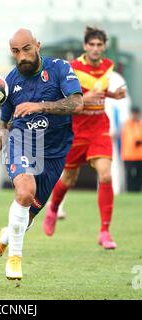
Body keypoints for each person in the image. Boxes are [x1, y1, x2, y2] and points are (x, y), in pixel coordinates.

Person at [0, 28, 83, 280]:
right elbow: (4, 123)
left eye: (26, 49)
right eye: (16, 51)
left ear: (37, 45)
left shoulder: (59, 68)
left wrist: (40, 106)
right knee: (24, 192)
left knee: (27, 215)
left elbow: (77, 103)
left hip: (55, 152)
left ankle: (6, 236)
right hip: (23, 142)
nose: (22, 56)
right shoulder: (10, 81)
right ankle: (15, 258)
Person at [43, 27, 126, 249]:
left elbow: (100, 90)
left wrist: (112, 95)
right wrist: (84, 97)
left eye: (99, 45)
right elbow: (63, 98)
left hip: (99, 128)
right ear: (85, 46)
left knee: (106, 175)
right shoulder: (73, 68)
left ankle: (105, 232)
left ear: (104, 47)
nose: (96, 49)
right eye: (92, 44)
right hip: (76, 130)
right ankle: (53, 208)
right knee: (69, 178)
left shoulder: (109, 66)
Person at [121, 106, 142, 191]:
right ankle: (130, 190)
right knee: (129, 175)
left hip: (140, 155)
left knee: (139, 175)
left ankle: (137, 190)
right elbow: (129, 138)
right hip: (128, 155)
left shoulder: (140, 125)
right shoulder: (127, 125)